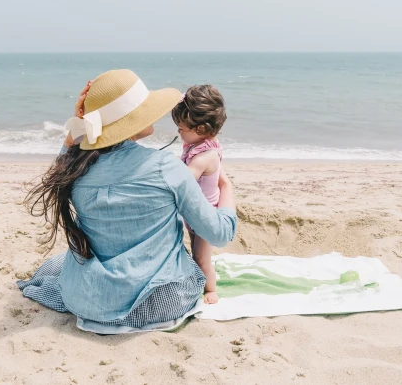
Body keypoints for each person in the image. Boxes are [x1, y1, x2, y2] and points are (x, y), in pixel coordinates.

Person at [18, 69, 237, 329]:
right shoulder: (165, 167)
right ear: (130, 120)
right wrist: (226, 187)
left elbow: (62, 164)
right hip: (160, 302)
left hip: (88, 297)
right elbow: (220, 234)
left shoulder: (74, 169)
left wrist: (76, 130)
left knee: (58, 265)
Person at [171, 85, 227, 304]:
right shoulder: (201, 145)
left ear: (202, 129)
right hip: (195, 214)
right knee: (196, 248)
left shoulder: (204, 158)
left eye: (182, 128)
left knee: (201, 257)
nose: (178, 132)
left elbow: (183, 180)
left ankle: (210, 289)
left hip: (204, 217)